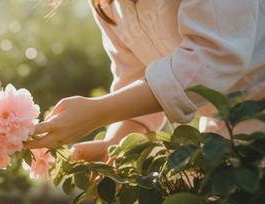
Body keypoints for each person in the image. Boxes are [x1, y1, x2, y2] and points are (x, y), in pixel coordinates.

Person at [23, 0, 265, 164]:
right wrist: (114, 143)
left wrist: (98, 112)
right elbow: (134, 78)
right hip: (220, 133)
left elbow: (213, 56)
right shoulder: (106, 4)